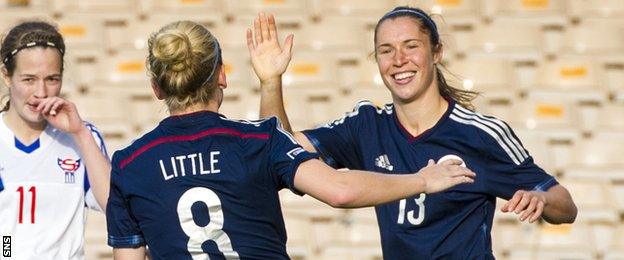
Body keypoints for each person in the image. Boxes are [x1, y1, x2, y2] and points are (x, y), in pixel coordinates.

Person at [106, 20, 476, 260]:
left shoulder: (129, 163)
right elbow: (339, 190)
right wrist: (422, 180)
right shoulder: (256, 140)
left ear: (156, 87)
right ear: (221, 75)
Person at [251, 7, 578, 259]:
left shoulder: (481, 134)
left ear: (436, 52)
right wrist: (270, 82)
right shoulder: (366, 125)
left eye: (411, 46)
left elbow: (565, 206)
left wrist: (542, 199)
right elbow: (280, 156)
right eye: (386, 50)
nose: (399, 60)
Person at [0, 21, 111, 259]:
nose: (41, 92)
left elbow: (115, 208)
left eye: (52, 79)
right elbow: (5, 236)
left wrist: (79, 133)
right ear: (6, 76)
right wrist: (6, 250)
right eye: (28, 79)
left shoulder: (83, 136)